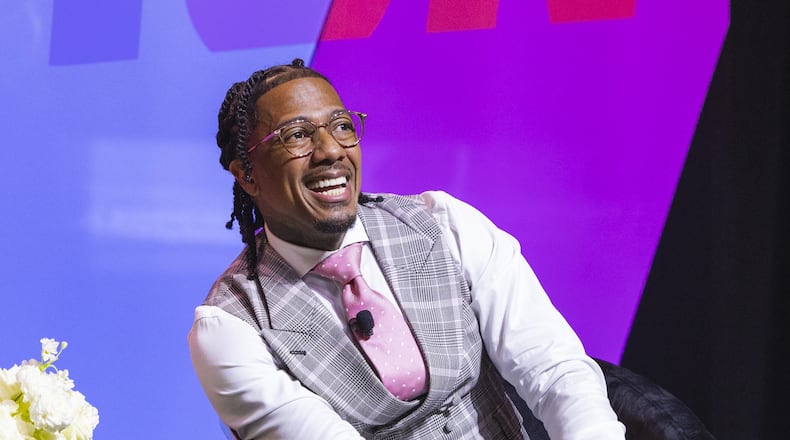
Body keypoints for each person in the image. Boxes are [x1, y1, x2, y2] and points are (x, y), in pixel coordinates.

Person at [188, 59, 626, 439]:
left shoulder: (444, 224)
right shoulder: (230, 328)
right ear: (246, 175)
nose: (330, 151)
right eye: (297, 135)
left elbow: (552, 369)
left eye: (341, 126)